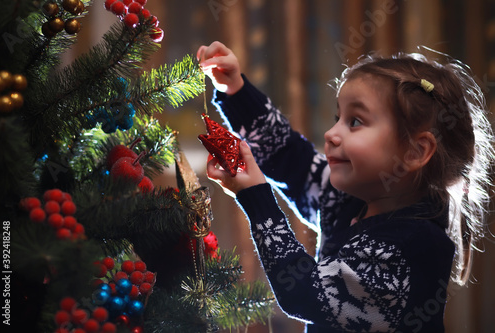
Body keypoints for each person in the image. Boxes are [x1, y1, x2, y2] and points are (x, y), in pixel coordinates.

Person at [197, 41, 494, 332]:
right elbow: (288, 157)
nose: (331, 134)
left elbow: (304, 293)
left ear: (415, 152)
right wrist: (234, 91)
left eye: (355, 121)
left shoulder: (414, 247)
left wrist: (257, 201)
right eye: (338, 118)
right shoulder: (344, 199)